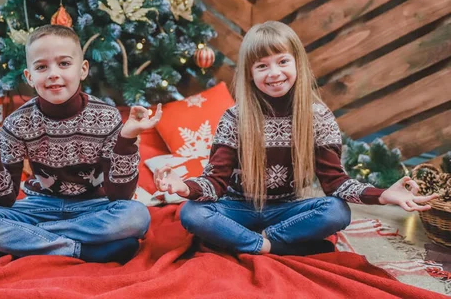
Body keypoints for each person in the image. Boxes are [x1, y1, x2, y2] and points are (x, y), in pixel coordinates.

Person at [155, 21, 437, 256]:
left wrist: (383, 194)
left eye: (282, 61)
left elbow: (335, 182)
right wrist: (184, 186)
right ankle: (271, 246)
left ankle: (254, 241)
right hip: (236, 207)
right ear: (250, 74)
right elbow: (214, 183)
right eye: (262, 66)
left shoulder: (318, 116)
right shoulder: (235, 118)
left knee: (337, 212)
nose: (274, 73)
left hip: (287, 210)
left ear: (297, 63)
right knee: (192, 213)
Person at [0, 25, 162, 263]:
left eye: (64, 64)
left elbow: (120, 195)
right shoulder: (17, 123)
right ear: (29, 76)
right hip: (39, 207)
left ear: (83, 69)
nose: (53, 73)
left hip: (93, 208)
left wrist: (126, 141)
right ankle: (81, 249)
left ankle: (30, 241)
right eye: (42, 67)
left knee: (136, 216)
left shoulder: (107, 117)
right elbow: (4, 200)